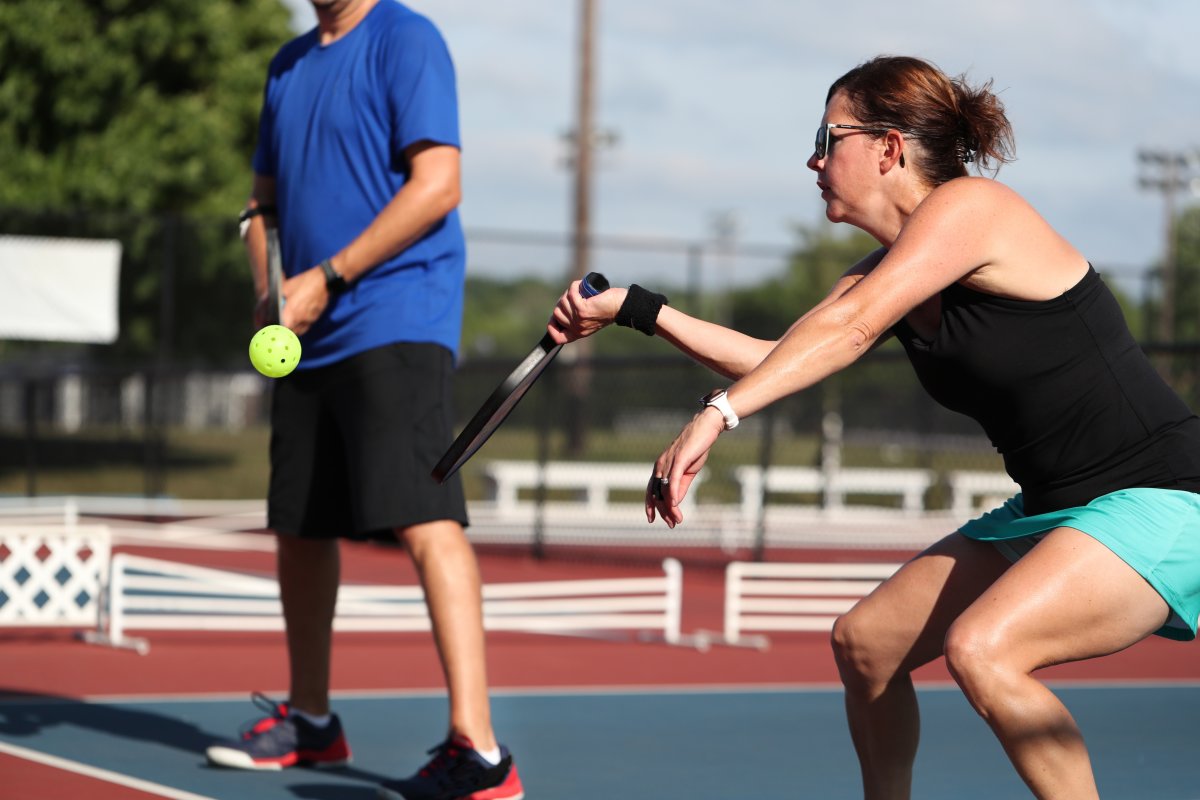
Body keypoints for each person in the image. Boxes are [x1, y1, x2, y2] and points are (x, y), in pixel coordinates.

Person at [548, 55, 1200, 799]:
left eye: (828, 138)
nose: (813, 158)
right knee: (866, 644)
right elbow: (779, 356)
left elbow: (851, 330)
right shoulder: (886, 271)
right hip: (1058, 504)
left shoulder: (974, 210)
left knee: (983, 650)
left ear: (889, 148)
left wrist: (718, 413)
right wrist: (638, 308)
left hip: (1163, 496)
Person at [204, 2, 525, 799]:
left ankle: (479, 752)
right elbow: (261, 205)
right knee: (301, 525)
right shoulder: (288, 65)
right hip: (304, 327)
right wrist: (270, 286)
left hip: (395, 318)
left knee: (426, 517)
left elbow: (437, 185)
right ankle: (311, 721)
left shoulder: (406, 39)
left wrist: (330, 276)